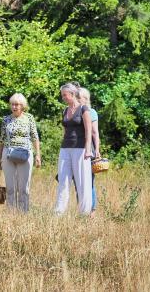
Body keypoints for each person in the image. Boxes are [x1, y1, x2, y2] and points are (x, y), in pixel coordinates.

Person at [0, 93, 41, 212]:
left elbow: (35, 137)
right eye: (12, 104)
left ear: (22, 106)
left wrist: (38, 155)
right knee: (10, 187)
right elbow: (1, 139)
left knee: (24, 188)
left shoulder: (29, 118)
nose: (14, 107)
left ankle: (23, 213)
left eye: (17, 104)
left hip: (25, 153)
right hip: (8, 153)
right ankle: (11, 213)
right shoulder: (6, 119)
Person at [54, 83, 93, 215]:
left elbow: (89, 131)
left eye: (65, 95)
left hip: (81, 148)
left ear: (72, 94)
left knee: (82, 182)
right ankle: (59, 212)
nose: (63, 97)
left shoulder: (84, 109)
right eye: (62, 95)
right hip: (65, 148)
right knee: (63, 180)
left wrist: (88, 150)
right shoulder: (65, 110)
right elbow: (65, 131)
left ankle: (85, 213)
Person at [77, 87, 101, 216]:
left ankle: (92, 211)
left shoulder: (91, 112)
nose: (76, 99)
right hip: (74, 149)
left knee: (89, 180)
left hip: (88, 150)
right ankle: (81, 208)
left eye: (78, 97)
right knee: (78, 181)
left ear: (85, 99)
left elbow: (95, 133)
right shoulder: (72, 111)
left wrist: (97, 149)